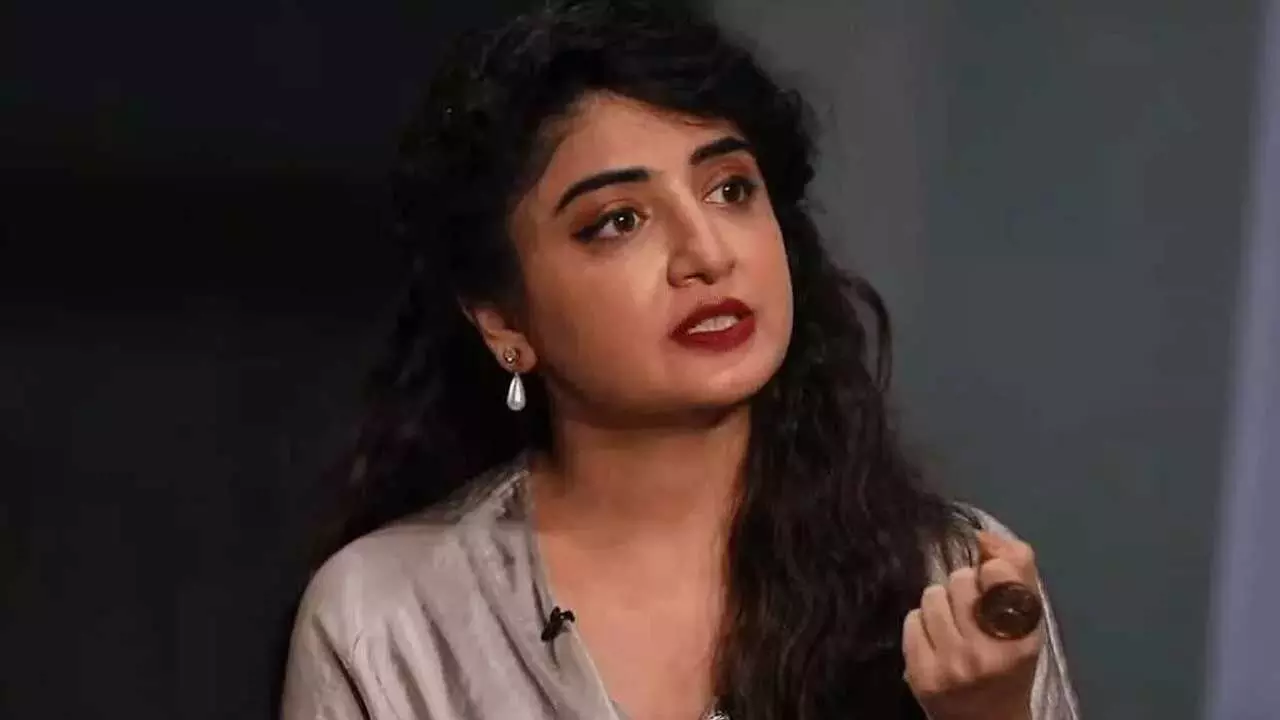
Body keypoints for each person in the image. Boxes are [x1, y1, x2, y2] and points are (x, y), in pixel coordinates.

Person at [281, 1, 1080, 718]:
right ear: (503, 319)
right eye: (619, 221)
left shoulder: (952, 582)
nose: (705, 253)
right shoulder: (390, 620)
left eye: (730, 190)